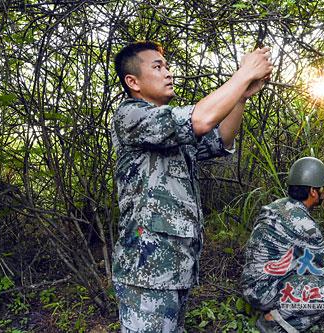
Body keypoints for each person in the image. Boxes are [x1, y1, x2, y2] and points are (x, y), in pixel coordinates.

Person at [110, 41, 273, 332]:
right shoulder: (130, 115)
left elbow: (220, 139)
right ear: (132, 81)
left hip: (174, 269)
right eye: (157, 67)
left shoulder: (169, 133)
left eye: (167, 66)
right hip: (145, 272)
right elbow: (200, 119)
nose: (168, 73)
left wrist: (241, 97)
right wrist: (243, 73)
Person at [241, 157, 324, 333]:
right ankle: (271, 323)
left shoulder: (276, 206)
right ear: (313, 191)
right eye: (323, 188)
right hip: (263, 292)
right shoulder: (303, 225)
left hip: (252, 283)